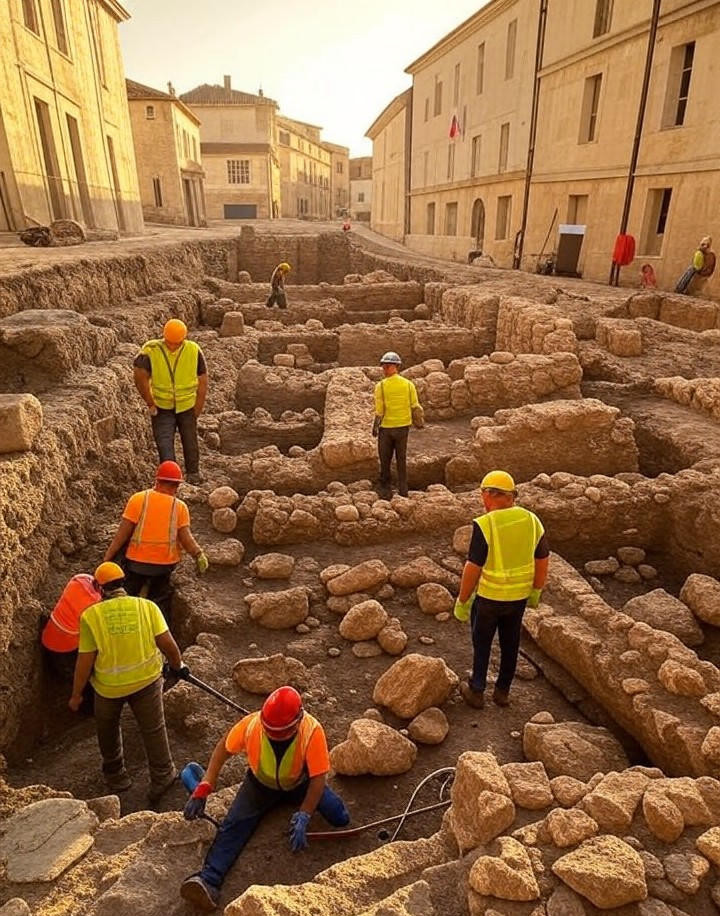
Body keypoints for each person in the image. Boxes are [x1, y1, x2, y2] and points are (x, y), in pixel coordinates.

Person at [180, 686, 350, 911]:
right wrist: (205, 785)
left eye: (281, 732)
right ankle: (208, 880)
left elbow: (318, 779)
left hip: (300, 784)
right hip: (259, 786)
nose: (276, 736)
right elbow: (222, 750)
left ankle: (309, 809)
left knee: (340, 817)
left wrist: (305, 814)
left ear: (299, 718)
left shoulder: (312, 731)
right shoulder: (252, 725)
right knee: (234, 826)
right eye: (272, 731)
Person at [69, 562, 187, 798]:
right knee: (153, 729)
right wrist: (178, 666)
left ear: (98, 589)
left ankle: (116, 777)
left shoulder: (91, 616)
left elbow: (85, 662)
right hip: (147, 681)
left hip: (108, 688)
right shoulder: (147, 607)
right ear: (123, 583)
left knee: (107, 729)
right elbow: (169, 645)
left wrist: (76, 694)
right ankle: (162, 777)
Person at [454, 471, 549, 709]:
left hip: (489, 598)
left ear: (489, 494)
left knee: (482, 642)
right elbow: (542, 559)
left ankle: (477, 690)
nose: (482, 501)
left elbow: (473, 567)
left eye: (483, 495)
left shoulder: (486, 524)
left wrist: (463, 599)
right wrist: (536, 589)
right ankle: (502, 691)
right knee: (510, 642)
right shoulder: (532, 520)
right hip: (518, 598)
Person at [103, 461, 208, 626]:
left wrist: (108, 557)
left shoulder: (138, 499)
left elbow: (122, 535)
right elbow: (185, 537)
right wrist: (198, 554)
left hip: (136, 565)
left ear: (157, 481)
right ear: (177, 486)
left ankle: (126, 626)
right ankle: (158, 632)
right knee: (159, 604)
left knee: (128, 599)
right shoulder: (179, 507)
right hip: (163, 567)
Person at [133, 318, 208, 485]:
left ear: (184, 339)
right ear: (163, 337)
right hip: (161, 406)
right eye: (169, 343)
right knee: (164, 442)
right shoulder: (151, 350)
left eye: (177, 343)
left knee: (190, 440)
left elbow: (203, 380)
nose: (172, 346)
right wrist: (150, 402)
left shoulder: (193, 350)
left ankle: (193, 473)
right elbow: (139, 376)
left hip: (186, 405)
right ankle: (170, 480)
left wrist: (198, 407)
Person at [372, 351, 422, 499]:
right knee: (401, 459)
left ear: (392, 367)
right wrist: (419, 422)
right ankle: (403, 490)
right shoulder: (408, 384)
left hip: (386, 429)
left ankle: (385, 491)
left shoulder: (380, 386)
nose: (385, 369)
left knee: (385, 459)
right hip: (403, 428)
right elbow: (415, 406)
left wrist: (375, 427)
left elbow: (379, 410)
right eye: (384, 366)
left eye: (386, 366)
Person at [41, 573, 102, 683]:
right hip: (66, 647)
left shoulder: (79, 579)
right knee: (72, 671)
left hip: (48, 634)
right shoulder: (95, 603)